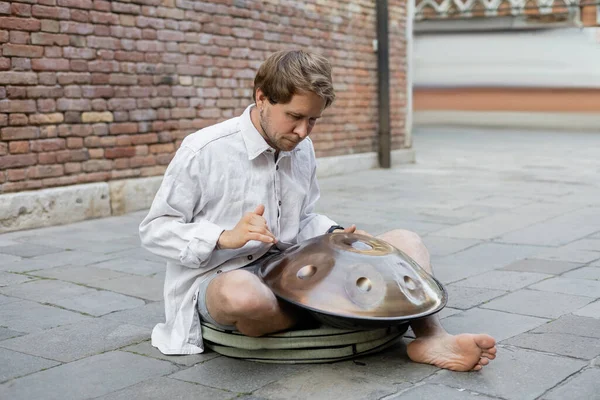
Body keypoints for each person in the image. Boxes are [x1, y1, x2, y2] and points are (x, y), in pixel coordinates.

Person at [139, 50, 496, 371]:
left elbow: (305, 216)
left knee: (407, 241)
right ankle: (342, 315)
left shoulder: (301, 147)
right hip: (223, 275)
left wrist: (337, 235)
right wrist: (224, 236)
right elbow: (155, 229)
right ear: (261, 97)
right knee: (243, 296)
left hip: (290, 264)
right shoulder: (204, 150)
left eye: (313, 121)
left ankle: (432, 335)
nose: (302, 131)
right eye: (294, 116)